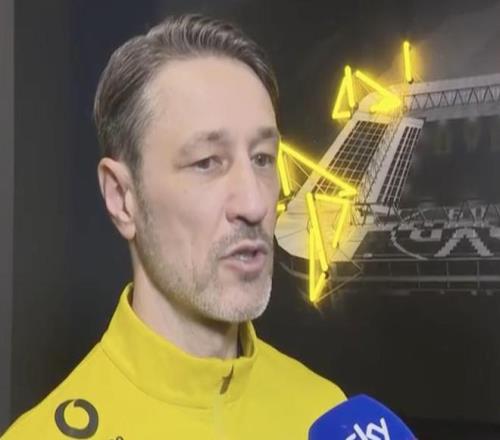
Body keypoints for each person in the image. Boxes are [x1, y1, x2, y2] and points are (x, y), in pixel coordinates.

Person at [1, 14, 345, 439]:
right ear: (121, 198)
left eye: (262, 158)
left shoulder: (327, 413)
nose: (255, 204)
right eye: (207, 162)